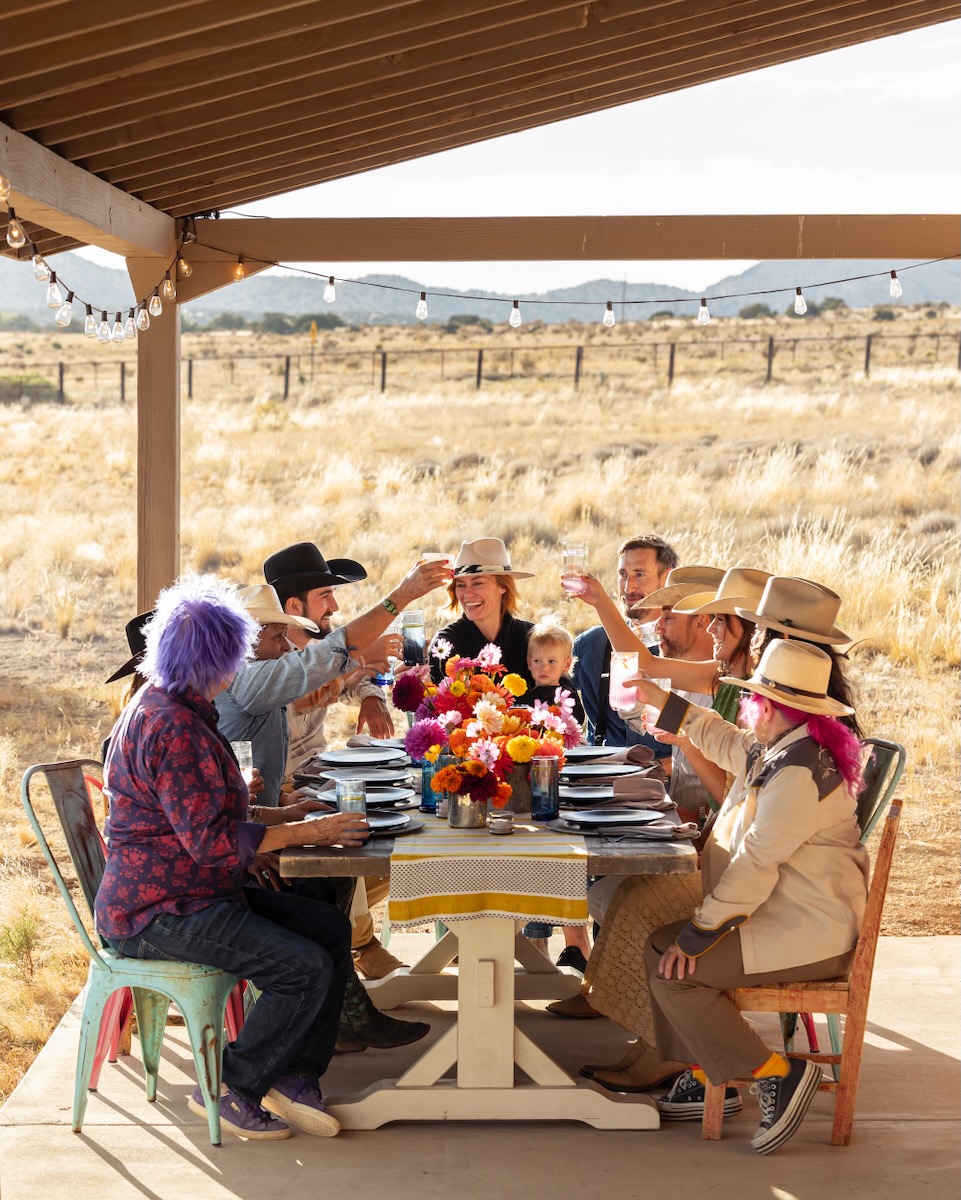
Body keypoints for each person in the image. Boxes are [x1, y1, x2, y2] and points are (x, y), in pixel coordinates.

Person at [96, 574, 370, 1141]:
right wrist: (310, 829)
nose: (238, 666)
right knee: (303, 967)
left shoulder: (176, 706)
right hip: (158, 912)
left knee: (324, 927)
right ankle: (231, 1086)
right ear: (210, 658)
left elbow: (211, 817)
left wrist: (289, 817)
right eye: (233, 654)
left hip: (188, 894)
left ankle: (292, 1075)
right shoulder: (173, 727)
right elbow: (214, 845)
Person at [637, 639, 868, 1154]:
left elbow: (756, 864)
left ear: (777, 706)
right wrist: (660, 699)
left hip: (807, 932)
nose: (747, 706)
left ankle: (777, 1075)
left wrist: (700, 933)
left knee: (675, 973)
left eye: (756, 697)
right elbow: (724, 740)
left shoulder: (798, 773)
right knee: (658, 947)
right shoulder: (787, 746)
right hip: (786, 917)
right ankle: (704, 1072)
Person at [265, 542, 439, 979]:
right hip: (285, 795)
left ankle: (363, 933)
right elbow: (316, 685)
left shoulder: (322, 649)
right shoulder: (272, 665)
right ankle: (361, 942)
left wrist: (372, 697)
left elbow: (351, 678)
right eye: (326, 596)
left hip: (314, 780)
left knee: (401, 820)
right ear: (294, 605)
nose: (335, 606)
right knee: (349, 816)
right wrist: (360, 664)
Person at [571, 534, 677, 754]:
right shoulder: (591, 644)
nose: (629, 588)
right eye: (623, 575)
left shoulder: (688, 648)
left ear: (666, 579)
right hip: (600, 780)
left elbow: (696, 723)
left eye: (639, 574)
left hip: (670, 782)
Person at [429, 537, 535, 685]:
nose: (467, 594)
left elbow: (561, 690)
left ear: (503, 586)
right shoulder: (446, 644)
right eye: (460, 585)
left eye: (477, 583)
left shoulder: (532, 638)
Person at [526, 617, 586, 725]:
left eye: (551, 661)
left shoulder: (566, 695)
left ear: (566, 665)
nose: (544, 668)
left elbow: (577, 721)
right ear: (529, 663)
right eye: (537, 661)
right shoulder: (525, 690)